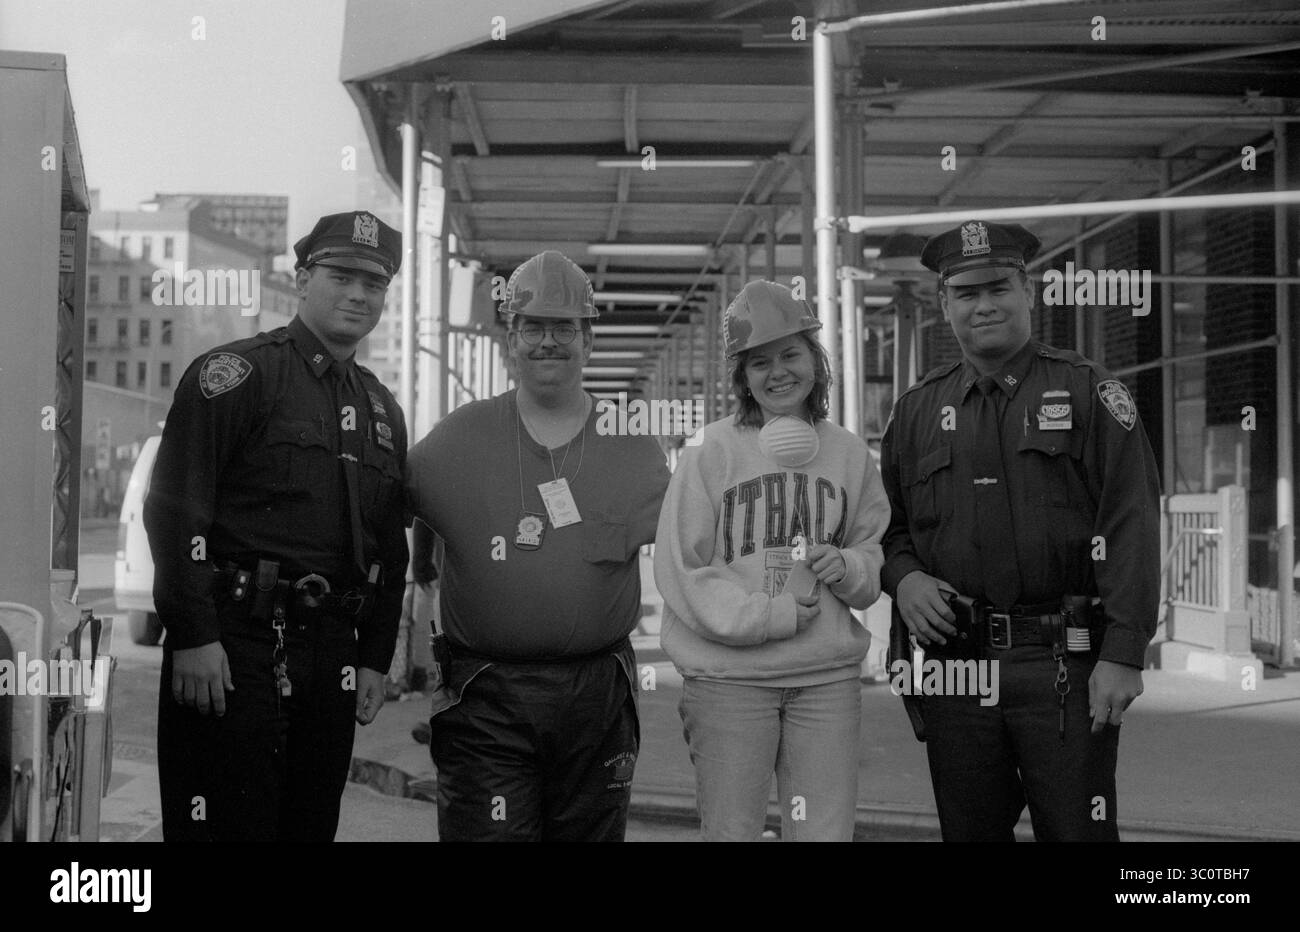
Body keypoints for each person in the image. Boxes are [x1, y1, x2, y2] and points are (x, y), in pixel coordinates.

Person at [880, 220, 1161, 842]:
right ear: (944, 305)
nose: (984, 305)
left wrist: (1123, 652)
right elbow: (889, 528)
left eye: (999, 287)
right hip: (956, 665)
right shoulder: (917, 412)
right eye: (966, 294)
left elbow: (1131, 521)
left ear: (1027, 291)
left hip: (1065, 664)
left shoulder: (1090, 392)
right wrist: (903, 580)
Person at [144, 210, 409, 841]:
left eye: (373, 284)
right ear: (301, 278)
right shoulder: (236, 376)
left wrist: (373, 658)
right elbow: (177, 508)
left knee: (308, 828)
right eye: (341, 275)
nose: (357, 294)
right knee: (227, 827)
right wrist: (192, 633)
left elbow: (389, 546)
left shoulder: (381, 407)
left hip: (331, 653)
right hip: (234, 645)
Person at [405, 250, 669, 842]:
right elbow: (383, 500)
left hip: (598, 703)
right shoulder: (458, 438)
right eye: (533, 328)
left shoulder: (635, 449)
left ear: (588, 341)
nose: (548, 342)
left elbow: (697, 550)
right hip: (486, 701)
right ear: (511, 342)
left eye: (564, 327)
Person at [654, 280, 890, 842]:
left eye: (791, 353)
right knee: (732, 832)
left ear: (816, 359)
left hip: (826, 680)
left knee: (824, 836)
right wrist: (768, 616)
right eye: (759, 362)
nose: (778, 372)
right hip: (728, 682)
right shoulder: (708, 449)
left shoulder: (850, 452)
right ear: (741, 376)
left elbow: (872, 549)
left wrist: (852, 568)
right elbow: (681, 570)